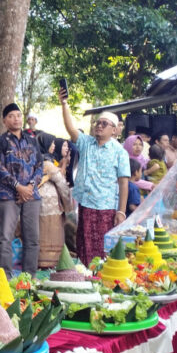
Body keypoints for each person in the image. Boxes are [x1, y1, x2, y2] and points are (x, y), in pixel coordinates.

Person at [60, 90, 130, 266]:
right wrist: (64, 103)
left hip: (106, 208)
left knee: (102, 249)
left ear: (114, 130)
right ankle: (85, 278)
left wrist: (121, 212)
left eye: (104, 123)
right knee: (83, 245)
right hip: (85, 204)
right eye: (98, 122)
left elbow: (123, 183)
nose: (99, 125)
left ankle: (100, 281)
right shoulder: (86, 143)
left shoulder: (120, 152)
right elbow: (70, 128)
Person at [0, 103, 42, 276]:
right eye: (11, 116)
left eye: (19, 115)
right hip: (8, 195)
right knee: (6, 237)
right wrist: (18, 187)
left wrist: (29, 187)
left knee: (32, 238)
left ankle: (30, 278)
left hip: (32, 195)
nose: (16, 119)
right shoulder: (0, 142)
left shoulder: (32, 140)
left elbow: (40, 166)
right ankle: (4, 278)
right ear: (5, 121)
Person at [36, 133, 72, 267]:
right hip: (49, 202)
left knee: (42, 230)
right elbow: (62, 184)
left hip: (39, 201)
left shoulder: (37, 160)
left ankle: (40, 259)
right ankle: (50, 260)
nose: (53, 146)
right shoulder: (48, 163)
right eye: (51, 143)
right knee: (51, 231)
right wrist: (68, 205)